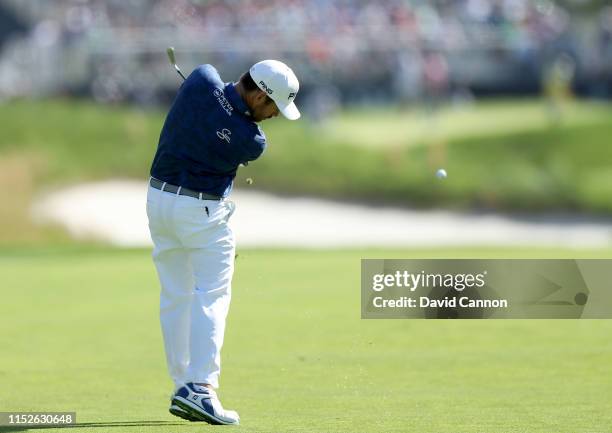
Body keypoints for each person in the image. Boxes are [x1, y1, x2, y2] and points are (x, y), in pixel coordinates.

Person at [146, 59, 300, 425]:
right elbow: (235, 129)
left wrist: (219, 106)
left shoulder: (199, 80)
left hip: (158, 202)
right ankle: (200, 387)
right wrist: (226, 115)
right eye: (275, 106)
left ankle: (183, 383)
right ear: (260, 95)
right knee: (211, 294)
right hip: (201, 213)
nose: (276, 114)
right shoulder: (252, 140)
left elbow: (213, 88)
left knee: (176, 295)